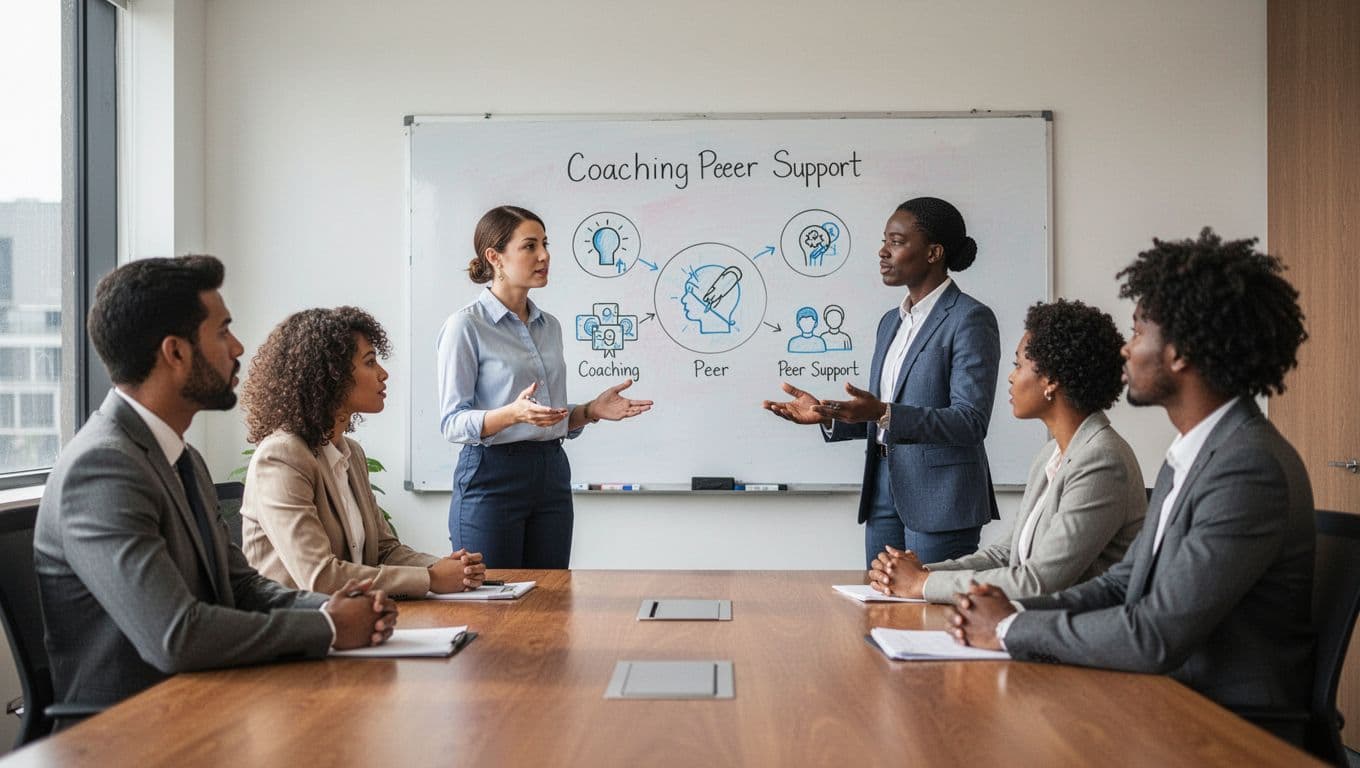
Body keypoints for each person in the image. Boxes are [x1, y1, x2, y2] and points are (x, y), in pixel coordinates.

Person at [949, 229, 1314, 739]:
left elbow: (1156, 633)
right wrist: (1014, 611)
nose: (1125, 349)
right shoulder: (1194, 454)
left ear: (1180, 353)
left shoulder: (1248, 467)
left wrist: (1009, 628)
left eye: (1138, 332)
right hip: (1168, 698)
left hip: (1230, 730)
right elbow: (1124, 582)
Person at [34, 256, 396, 711]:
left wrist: (330, 610)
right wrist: (330, 628)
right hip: (132, 726)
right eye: (223, 331)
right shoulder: (103, 467)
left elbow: (241, 587)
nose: (239, 347)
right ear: (176, 353)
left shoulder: (182, 458)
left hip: (202, 700)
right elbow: (176, 635)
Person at [764, 197, 1001, 566]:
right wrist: (828, 413)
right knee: (877, 598)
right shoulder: (890, 321)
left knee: (927, 602)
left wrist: (883, 412)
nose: (882, 251)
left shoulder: (969, 319)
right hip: (882, 488)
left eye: (896, 241)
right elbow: (882, 412)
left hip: (940, 497)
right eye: (884, 240)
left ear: (934, 253)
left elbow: (970, 421)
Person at [868, 299, 1145, 602]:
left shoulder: (1101, 461)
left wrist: (922, 583)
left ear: (1051, 380)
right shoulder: (1052, 455)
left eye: (1018, 365)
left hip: (1070, 628)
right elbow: (1005, 554)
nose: (1011, 377)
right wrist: (920, 573)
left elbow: (1038, 581)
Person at [438, 205, 654, 568]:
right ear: (495, 257)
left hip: (551, 472)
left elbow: (545, 418)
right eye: (530, 246)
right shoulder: (466, 326)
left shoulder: (548, 326)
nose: (544, 256)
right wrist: (511, 415)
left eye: (545, 244)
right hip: (492, 476)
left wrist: (589, 411)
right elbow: (452, 423)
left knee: (551, 593)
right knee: (493, 596)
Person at [240, 307, 486, 597]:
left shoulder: (351, 454)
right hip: (298, 621)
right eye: (370, 362)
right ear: (331, 375)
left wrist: (446, 568)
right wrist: (430, 579)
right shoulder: (282, 457)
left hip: (353, 614)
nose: (383, 373)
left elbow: (384, 550)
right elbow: (319, 577)